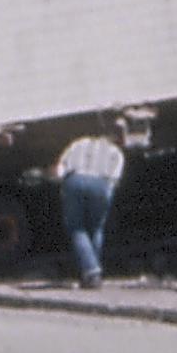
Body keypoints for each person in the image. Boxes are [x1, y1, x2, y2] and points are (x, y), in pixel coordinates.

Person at [53, 121, 127, 287]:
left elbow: (60, 169)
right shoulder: (116, 153)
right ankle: (93, 271)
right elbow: (114, 180)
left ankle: (91, 270)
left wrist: (64, 184)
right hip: (100, 184)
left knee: (77, 228)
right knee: (96, 228)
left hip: (75, 180)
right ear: (116, 139)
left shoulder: (79, 143)